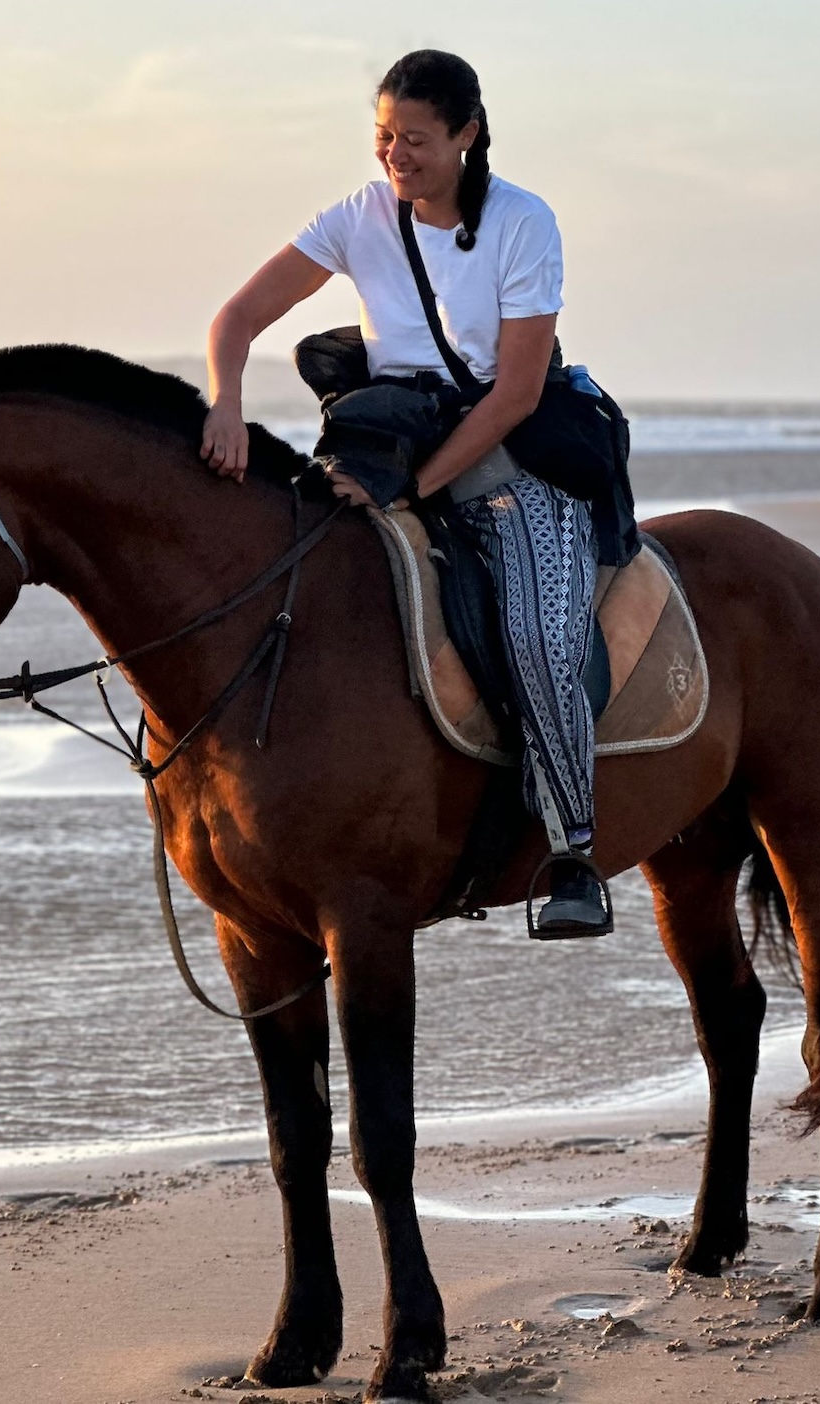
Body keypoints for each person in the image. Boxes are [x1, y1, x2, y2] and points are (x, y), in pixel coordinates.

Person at [201, 49, 611, 937]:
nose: (395, 155)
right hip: (389, 449)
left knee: (538, 637)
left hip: (510, 459)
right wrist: (226, 408)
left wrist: (419, 490)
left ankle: (573, 849)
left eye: (416, 139)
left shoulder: (522, 223)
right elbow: (235, 319)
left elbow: (517, 393)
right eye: (383, 136)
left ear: (467, 135)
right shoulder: (356, 217)